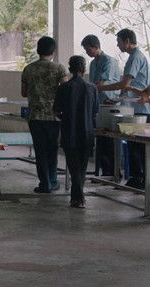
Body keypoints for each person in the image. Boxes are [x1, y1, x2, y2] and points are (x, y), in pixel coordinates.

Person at [101, 28, 150, 189]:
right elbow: (127, 88)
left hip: (139, 110)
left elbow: (125, 84)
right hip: (134, 107)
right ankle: (138, 178)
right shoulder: (135, 57)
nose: (118, 45)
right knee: (134, 145)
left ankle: (139, 179)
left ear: (127, 41)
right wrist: (116, 99)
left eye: (119, 42)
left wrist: (101, 88)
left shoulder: (135, 57)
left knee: (137, 146)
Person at [21, 37, 68, 193]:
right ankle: (53, 181)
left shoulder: (28, 69)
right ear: (53, 51)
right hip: (54, 116)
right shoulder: (59, 68)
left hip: (35, 116)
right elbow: (65, 89)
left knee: (40, 151)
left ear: (38, 50)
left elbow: (23, 93)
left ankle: (44, 183)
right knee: (52, 150)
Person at [54, 56, 98, 208]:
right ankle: (77, 197)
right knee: (82, 167)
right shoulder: (92, 88)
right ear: (84, 69)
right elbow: (95, 112)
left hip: (69, 132)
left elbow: (56, 111)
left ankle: (78, 198)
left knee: (73, 167)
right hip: (87, 132)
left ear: (70, 69)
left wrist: (66, 117)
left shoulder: (63, 88)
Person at [81, 34, 121, 175]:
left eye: (88, 50)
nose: (87, 53)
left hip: (110, 104)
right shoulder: (93, 63)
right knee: (101, 139)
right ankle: (103, 171)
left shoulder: (108, 61)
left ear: (96, 47)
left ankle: (113, 172)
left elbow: (100, 84)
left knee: (110, 139)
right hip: (98, 104)